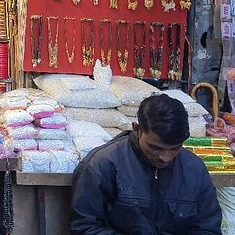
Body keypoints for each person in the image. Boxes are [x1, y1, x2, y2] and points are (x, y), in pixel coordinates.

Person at [70, 93, 222, 235]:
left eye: (175, 148)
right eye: (155, 147)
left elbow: (208, 228)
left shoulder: (194, 169)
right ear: (137, 129)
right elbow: (83, 226)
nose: (165, 157)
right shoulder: (102, 165)